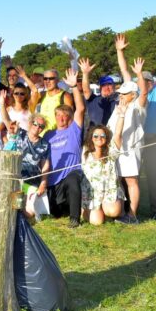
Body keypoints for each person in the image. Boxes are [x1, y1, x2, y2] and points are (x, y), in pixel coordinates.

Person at [117, 33, 156, 220]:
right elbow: (124, 70)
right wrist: (120, 51)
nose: (142, 83)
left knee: (154, 176)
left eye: (146, 80)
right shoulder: (134, 95)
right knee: (128, 175)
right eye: (139, 80)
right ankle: (128, 208)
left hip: (152, 140)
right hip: (133, 141)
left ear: (151, 83)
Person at [43, 68, 85, 228]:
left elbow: (80, 109)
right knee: (55, 212)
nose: (61, 118)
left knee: (72, 180)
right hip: (53, 181)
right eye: (58, 115)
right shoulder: (48, 135)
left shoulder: (74, 130)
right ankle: (63, 209)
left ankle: (75, 219)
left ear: (70, 117)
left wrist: (73, 87)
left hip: (71, 173)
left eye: (65, 115)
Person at [109, 57, 149, 224]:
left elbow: (144, 92)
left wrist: (139, 74)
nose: (121, 96)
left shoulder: (138, 105)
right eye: (120, 93)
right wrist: (119, 52)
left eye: (124, 94)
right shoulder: (119, 106)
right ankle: (120, 211)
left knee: (131, 180)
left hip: (131, 149)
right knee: (117, 179)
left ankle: (132, 215)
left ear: (133, 94)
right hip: (115, 148)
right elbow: (124, 70)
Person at [0, 105, 51, 217]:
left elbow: (45, 166)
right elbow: (6, 120)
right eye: (35, 124)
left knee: (29, 213)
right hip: (15, 178)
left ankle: (20, 211)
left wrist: (43, 183)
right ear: (30, 123)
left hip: (32, 181)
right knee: (14, 206)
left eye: (41, 126)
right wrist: (2, 103)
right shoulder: (20, 133)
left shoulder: (45, 144)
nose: (37, 127)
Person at [80, 103, 127, 226]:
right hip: (92, 193)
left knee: (113, 212)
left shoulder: (111, 152)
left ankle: (113, 207)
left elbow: (118, 134)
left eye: (102, 135)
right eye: (95, 136)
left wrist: (122, 116)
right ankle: (88, 210)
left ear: (106, 138)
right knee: (97, 222)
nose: (99, 138)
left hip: (109, 190)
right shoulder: (85, 152)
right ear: (91, 138)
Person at [79, 58, 118, 128]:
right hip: (95, 133)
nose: (107, 87)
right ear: (100, 88)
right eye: (104, 85)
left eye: (109, 84)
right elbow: (86, 91)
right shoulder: (93, 99)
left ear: (114, 86)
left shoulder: (119, 99)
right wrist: (85, 74)